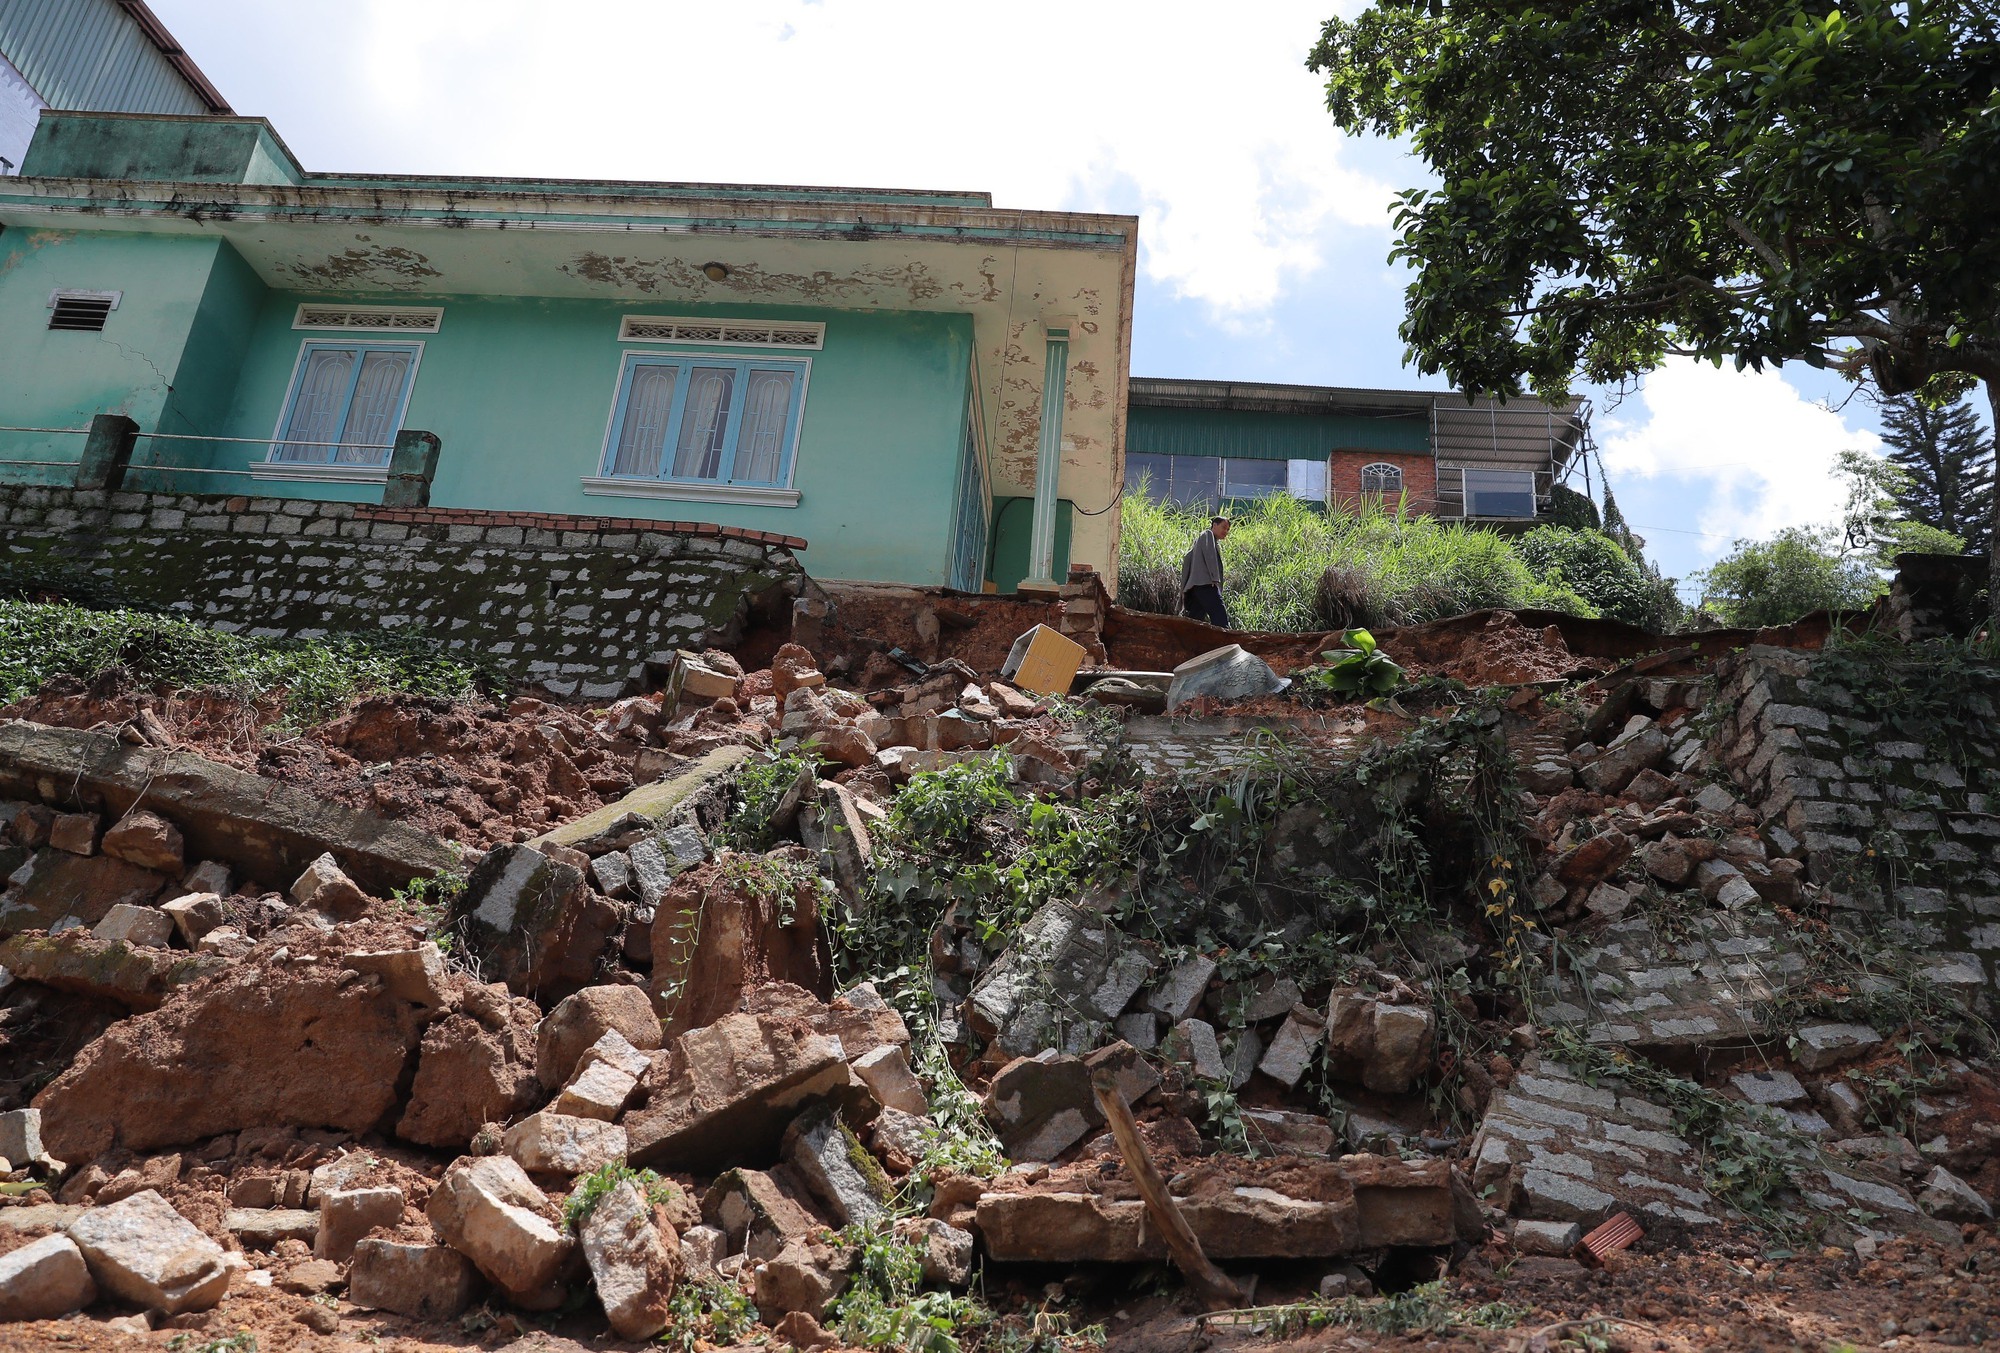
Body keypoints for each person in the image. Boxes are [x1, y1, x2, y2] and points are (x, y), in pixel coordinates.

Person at [1179, 514, 1231, 627]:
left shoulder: (1201, 540)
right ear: (1214, 525)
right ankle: (1226, 641)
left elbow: (1188, 558)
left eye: (1227, 530)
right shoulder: (1207, 535)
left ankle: (1189, 642)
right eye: (1223, 527)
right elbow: (1210, 556)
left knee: (1195, 620)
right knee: (1219, 614)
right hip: (1207, 584)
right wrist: (1214, 578)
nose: (1226, 531)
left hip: (1196, 587)